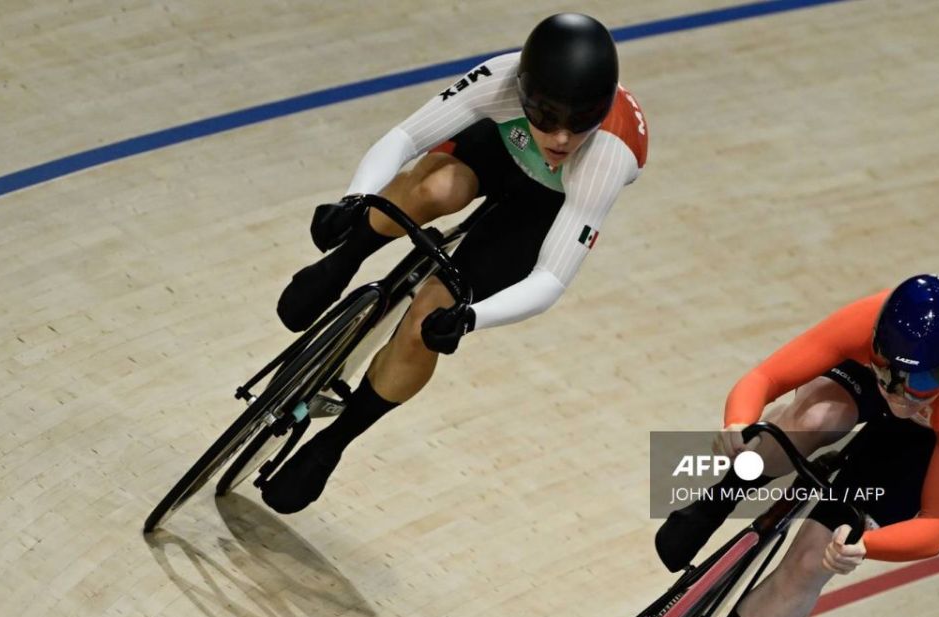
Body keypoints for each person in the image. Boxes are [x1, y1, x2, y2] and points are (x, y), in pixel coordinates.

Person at [259, 13, 648, 514]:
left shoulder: (608, 157)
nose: (560, 138)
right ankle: (346, 260)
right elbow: (404, 139)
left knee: (426, 324)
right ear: (527, 94)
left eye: (580, 123)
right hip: (499, 149)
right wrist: (353, 199)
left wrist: (470, 318)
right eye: (547, 116)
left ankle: (334, 442)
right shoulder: (501, 79)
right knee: (436, 188)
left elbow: (551, 276)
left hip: (544, 207)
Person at [655, 274, 939, 617]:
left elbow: (937, 527)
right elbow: (766, 378)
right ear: (877, 343)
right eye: (896, 377)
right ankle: (717, 501)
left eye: (924, 382)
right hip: (866, 377)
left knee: (811, 562)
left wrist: (866, 546)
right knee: (810, 420)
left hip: (923, 435)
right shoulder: (865, 324)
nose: (903, 395)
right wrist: (737, 424)